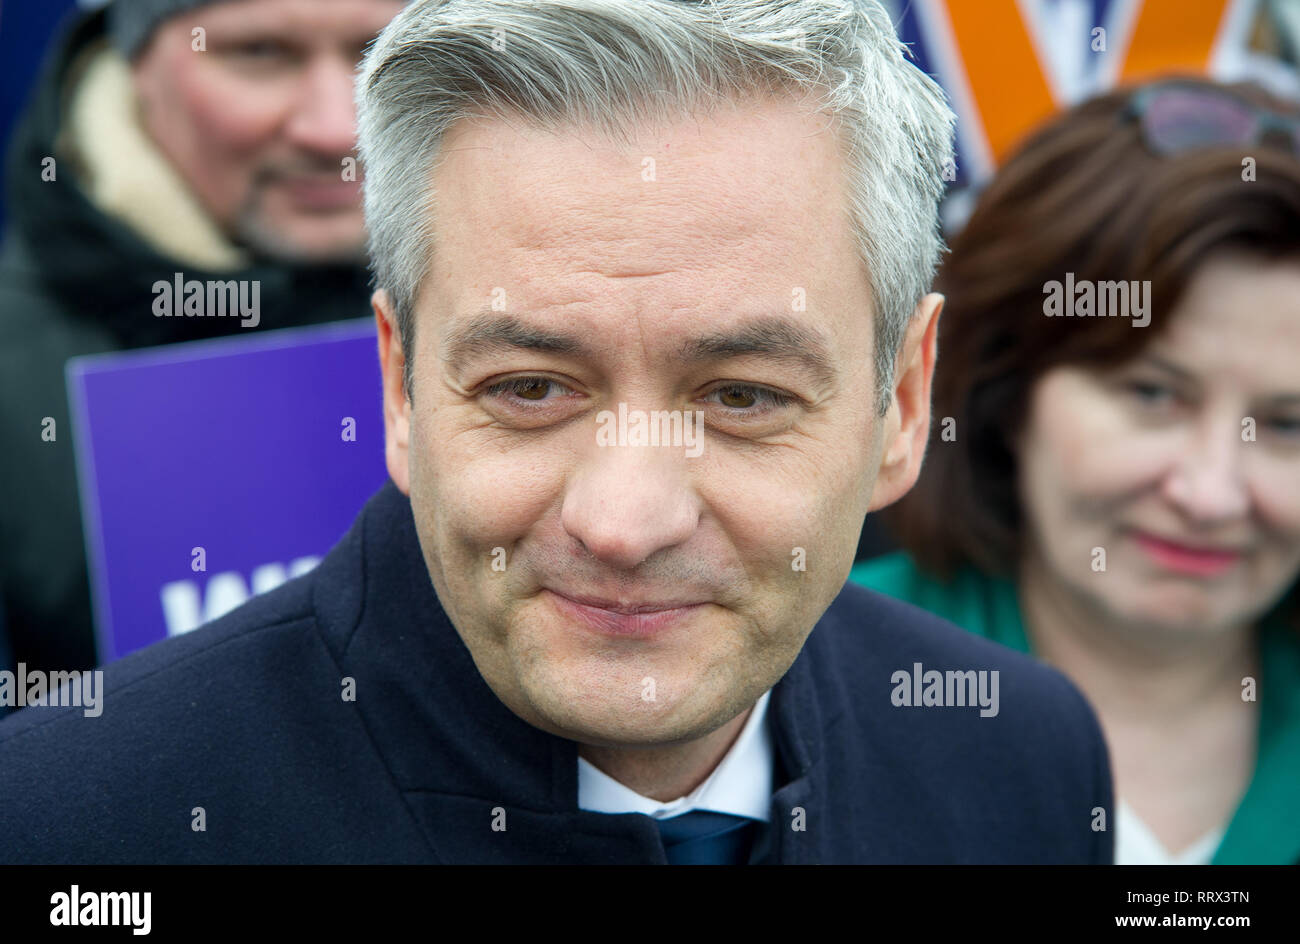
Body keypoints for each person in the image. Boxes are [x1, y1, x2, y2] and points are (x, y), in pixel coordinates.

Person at [0, 0, 1112, 864]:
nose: (625, 522)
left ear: (902, 403)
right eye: (532, 388)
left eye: (742, 397)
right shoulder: (65, 823)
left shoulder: (1025, 759)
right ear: (397, 385)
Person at [852, 77, 1300, 864]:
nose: (1210, 492)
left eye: (1290, 424)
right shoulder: (797, 672)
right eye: (1153, 393)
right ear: (1003, 388)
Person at [0, 0, 405, 677]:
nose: (338, 127)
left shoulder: (558, 298)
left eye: (386, 46)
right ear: (134, 65)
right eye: (260, 54)